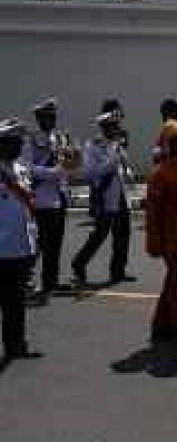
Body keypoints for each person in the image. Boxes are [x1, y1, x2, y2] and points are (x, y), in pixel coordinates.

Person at [72, 110, 134, 285]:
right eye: (112, 126)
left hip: (120, 195)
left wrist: (128, 172)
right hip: (104, 196)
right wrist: (112, 161)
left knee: (123, 234)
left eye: (116, 126)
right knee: (100, 234)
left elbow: (123, 165)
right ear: (103, 128)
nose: (116, 129)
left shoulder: (117, 145)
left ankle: (118, 271)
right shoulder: (92, 146)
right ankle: (79, 263)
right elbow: (90, 172)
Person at [146, 120, 177, 343]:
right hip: (171, 236)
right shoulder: (161, 174)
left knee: (174, 280)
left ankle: (161, 323)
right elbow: (153, 214)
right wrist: (154, 243)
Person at [21, 99, 72, 299]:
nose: (51, 120)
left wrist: (69, 167)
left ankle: (51, 282)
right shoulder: (30, 142)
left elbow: (67, 166)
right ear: (38, 119)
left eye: (53, 117)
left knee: (55, 245)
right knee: (39, 244)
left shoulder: (59, 139)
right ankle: (24, 279)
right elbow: (27, 169)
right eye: (46, 117)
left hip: (58, 199)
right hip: (41, 200)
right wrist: (54, 172)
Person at [1, 119, 40, 363]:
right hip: (1, 249)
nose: (19, 147)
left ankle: (17, 345)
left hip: (20, 246)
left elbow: (27, 207)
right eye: (13, 142)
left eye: (19, 142)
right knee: (8, 300)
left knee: (15, 302)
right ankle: (15, 344)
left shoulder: (21, 169)